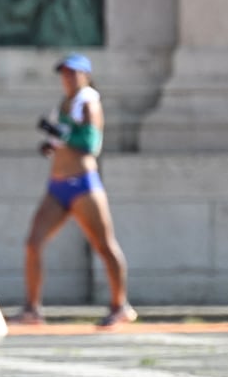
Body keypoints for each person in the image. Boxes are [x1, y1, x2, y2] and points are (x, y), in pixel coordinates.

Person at [11, 53, 137, 329]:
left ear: (85, 75)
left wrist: (63, 135)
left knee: (104, 245)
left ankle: (120, 305)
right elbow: (63, 138)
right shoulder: (64, 104)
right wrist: (51, 143)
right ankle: (32, 308)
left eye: (73, 73)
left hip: (82, 185)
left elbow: (90, 142)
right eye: (64, 73)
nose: (68, 78)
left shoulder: (88, 100)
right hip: (57, 185)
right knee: (33, 242)